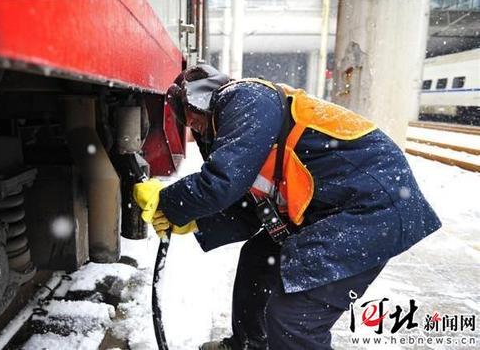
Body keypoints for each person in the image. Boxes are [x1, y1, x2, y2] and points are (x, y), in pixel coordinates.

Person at [133, 64, 441, 350]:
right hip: (333, 207)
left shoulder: (246, 96)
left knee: (294, 316)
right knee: (258, 259)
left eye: (192, 117)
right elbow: (248, 207)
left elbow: (223, 181)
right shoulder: (242, 126)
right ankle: (248, 345)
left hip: (372, 207)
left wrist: (169, 200)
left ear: (202, 99)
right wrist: (198, 222)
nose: (194, 128)